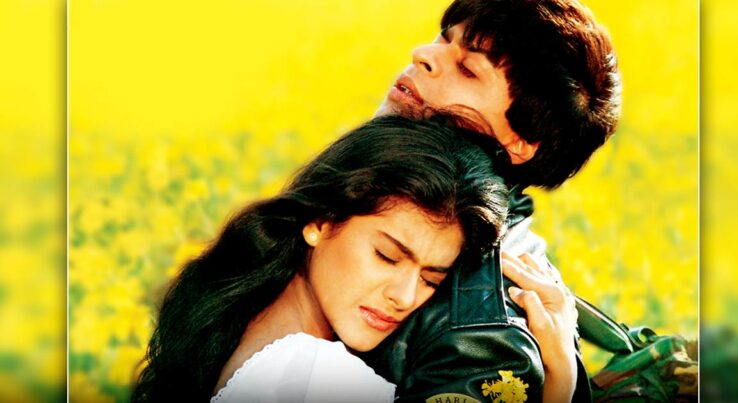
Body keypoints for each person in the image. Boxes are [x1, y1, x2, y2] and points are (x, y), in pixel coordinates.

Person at [131, 116, 517, 402]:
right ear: (319, 221)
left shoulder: (235, 325)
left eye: (431, 279)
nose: (404, 297)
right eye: (386, 257)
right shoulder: (321, 376)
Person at [363, 0, 622, 401]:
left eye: (468, 69)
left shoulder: (485, 338)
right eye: (443, 39)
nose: (423, 54)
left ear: (519, 141)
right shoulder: (370, 189)